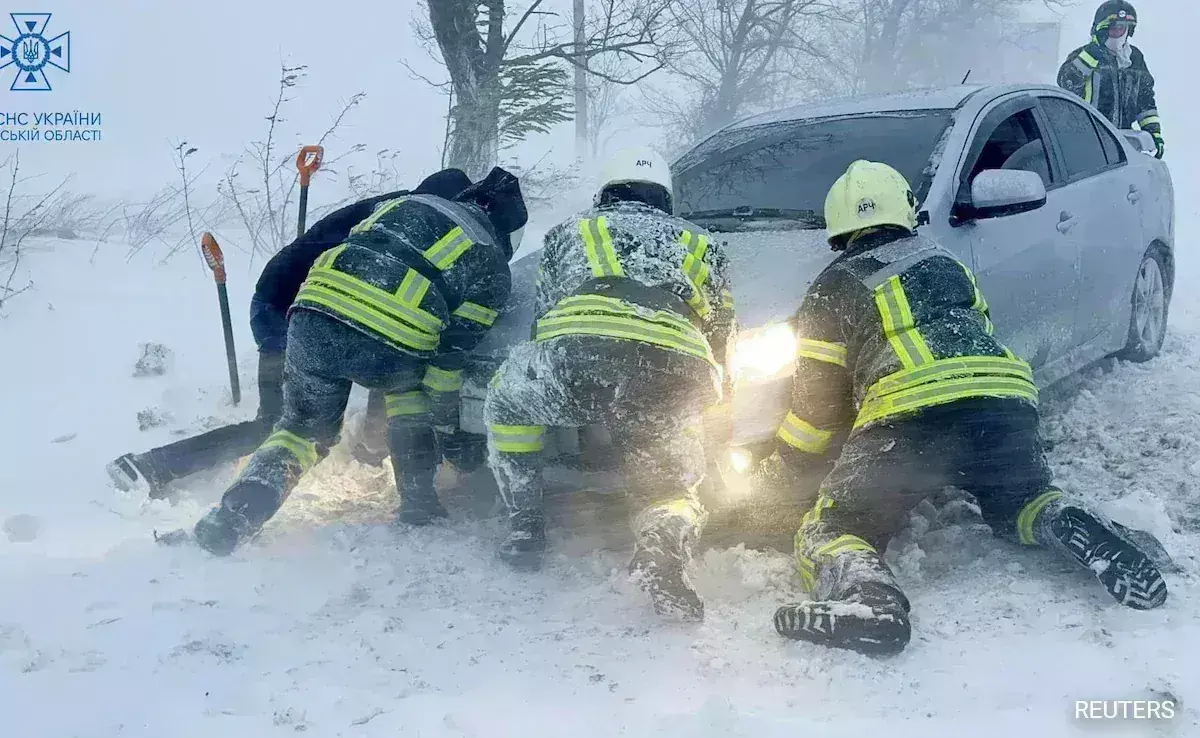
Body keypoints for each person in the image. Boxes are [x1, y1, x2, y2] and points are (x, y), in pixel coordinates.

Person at [768, 160, 1169, 656]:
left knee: (835, 526)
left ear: (838, 228)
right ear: (904, 211)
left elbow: (818, 411)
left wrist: (783, 465)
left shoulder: (833, 286)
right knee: (1019, 503)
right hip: (1005, 403)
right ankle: (1067, 521)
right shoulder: (945, 263)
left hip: (909, 417)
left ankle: (868, 601)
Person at [183, 166, 527, 556]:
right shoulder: (492, 264)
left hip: (312, 318)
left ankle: (235, 516)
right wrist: (450, 435)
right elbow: (448, 365)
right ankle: (418, 505)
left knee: (300, 431)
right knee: (408, 396)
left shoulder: (403, 204)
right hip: (390, 344)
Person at [105, 169, 475, 497]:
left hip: (310, 306)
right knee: (279, 425)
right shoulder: (407, 223)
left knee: (390, 351)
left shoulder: (399, 212)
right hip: (287, 311)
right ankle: (152, 465)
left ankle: (369, 448)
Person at [483, 147, 738, 621]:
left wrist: (567, 382)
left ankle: (525, 524)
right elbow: (722, 335)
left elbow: (543, 319)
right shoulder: (703, 243)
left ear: (604, 193)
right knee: (674, 484)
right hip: (673, 366)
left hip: (578, 356)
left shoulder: (570, 232)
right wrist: (715, 405)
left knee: (507, 405)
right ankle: (663, 542)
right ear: (664, 197)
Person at [1058, 1, 1163, 159]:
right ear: (1102, 30)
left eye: (1122, 28)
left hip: (1123, 143)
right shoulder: (1083, 55)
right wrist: (1091, 56)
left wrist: (1153, 132)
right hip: (1085, 142)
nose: (1118, 32)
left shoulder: (1134, 58)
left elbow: (1145, 100)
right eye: (1113, 28)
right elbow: (1066, 83)